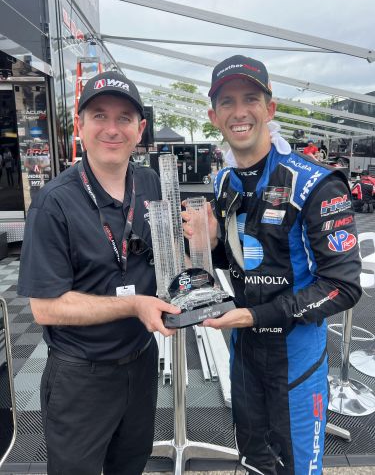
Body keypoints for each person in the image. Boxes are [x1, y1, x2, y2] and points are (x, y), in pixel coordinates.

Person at [183, 55, 361, 475]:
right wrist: (210, 246)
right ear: (214, 115)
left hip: (295, 360)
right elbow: (243, 257)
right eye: (227, 102)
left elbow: (343, 285)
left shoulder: (315, 182)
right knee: (254, 463)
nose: (239, 111)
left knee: (298, 468)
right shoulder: (225, 181)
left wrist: (256, 314)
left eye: (250, 98)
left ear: (270, 108)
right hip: (243, 355)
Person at [17, 70, 180, 475]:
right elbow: (46, 309)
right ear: (80, 126)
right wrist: (134, 305)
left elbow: (170, 255)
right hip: (81, 375)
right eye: (99, 116)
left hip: (141, 362)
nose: (112, 128)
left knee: (131, 463)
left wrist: (200, 240)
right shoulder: (54, 203)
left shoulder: (152, 183)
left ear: (139, 130)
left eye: (124, 118)